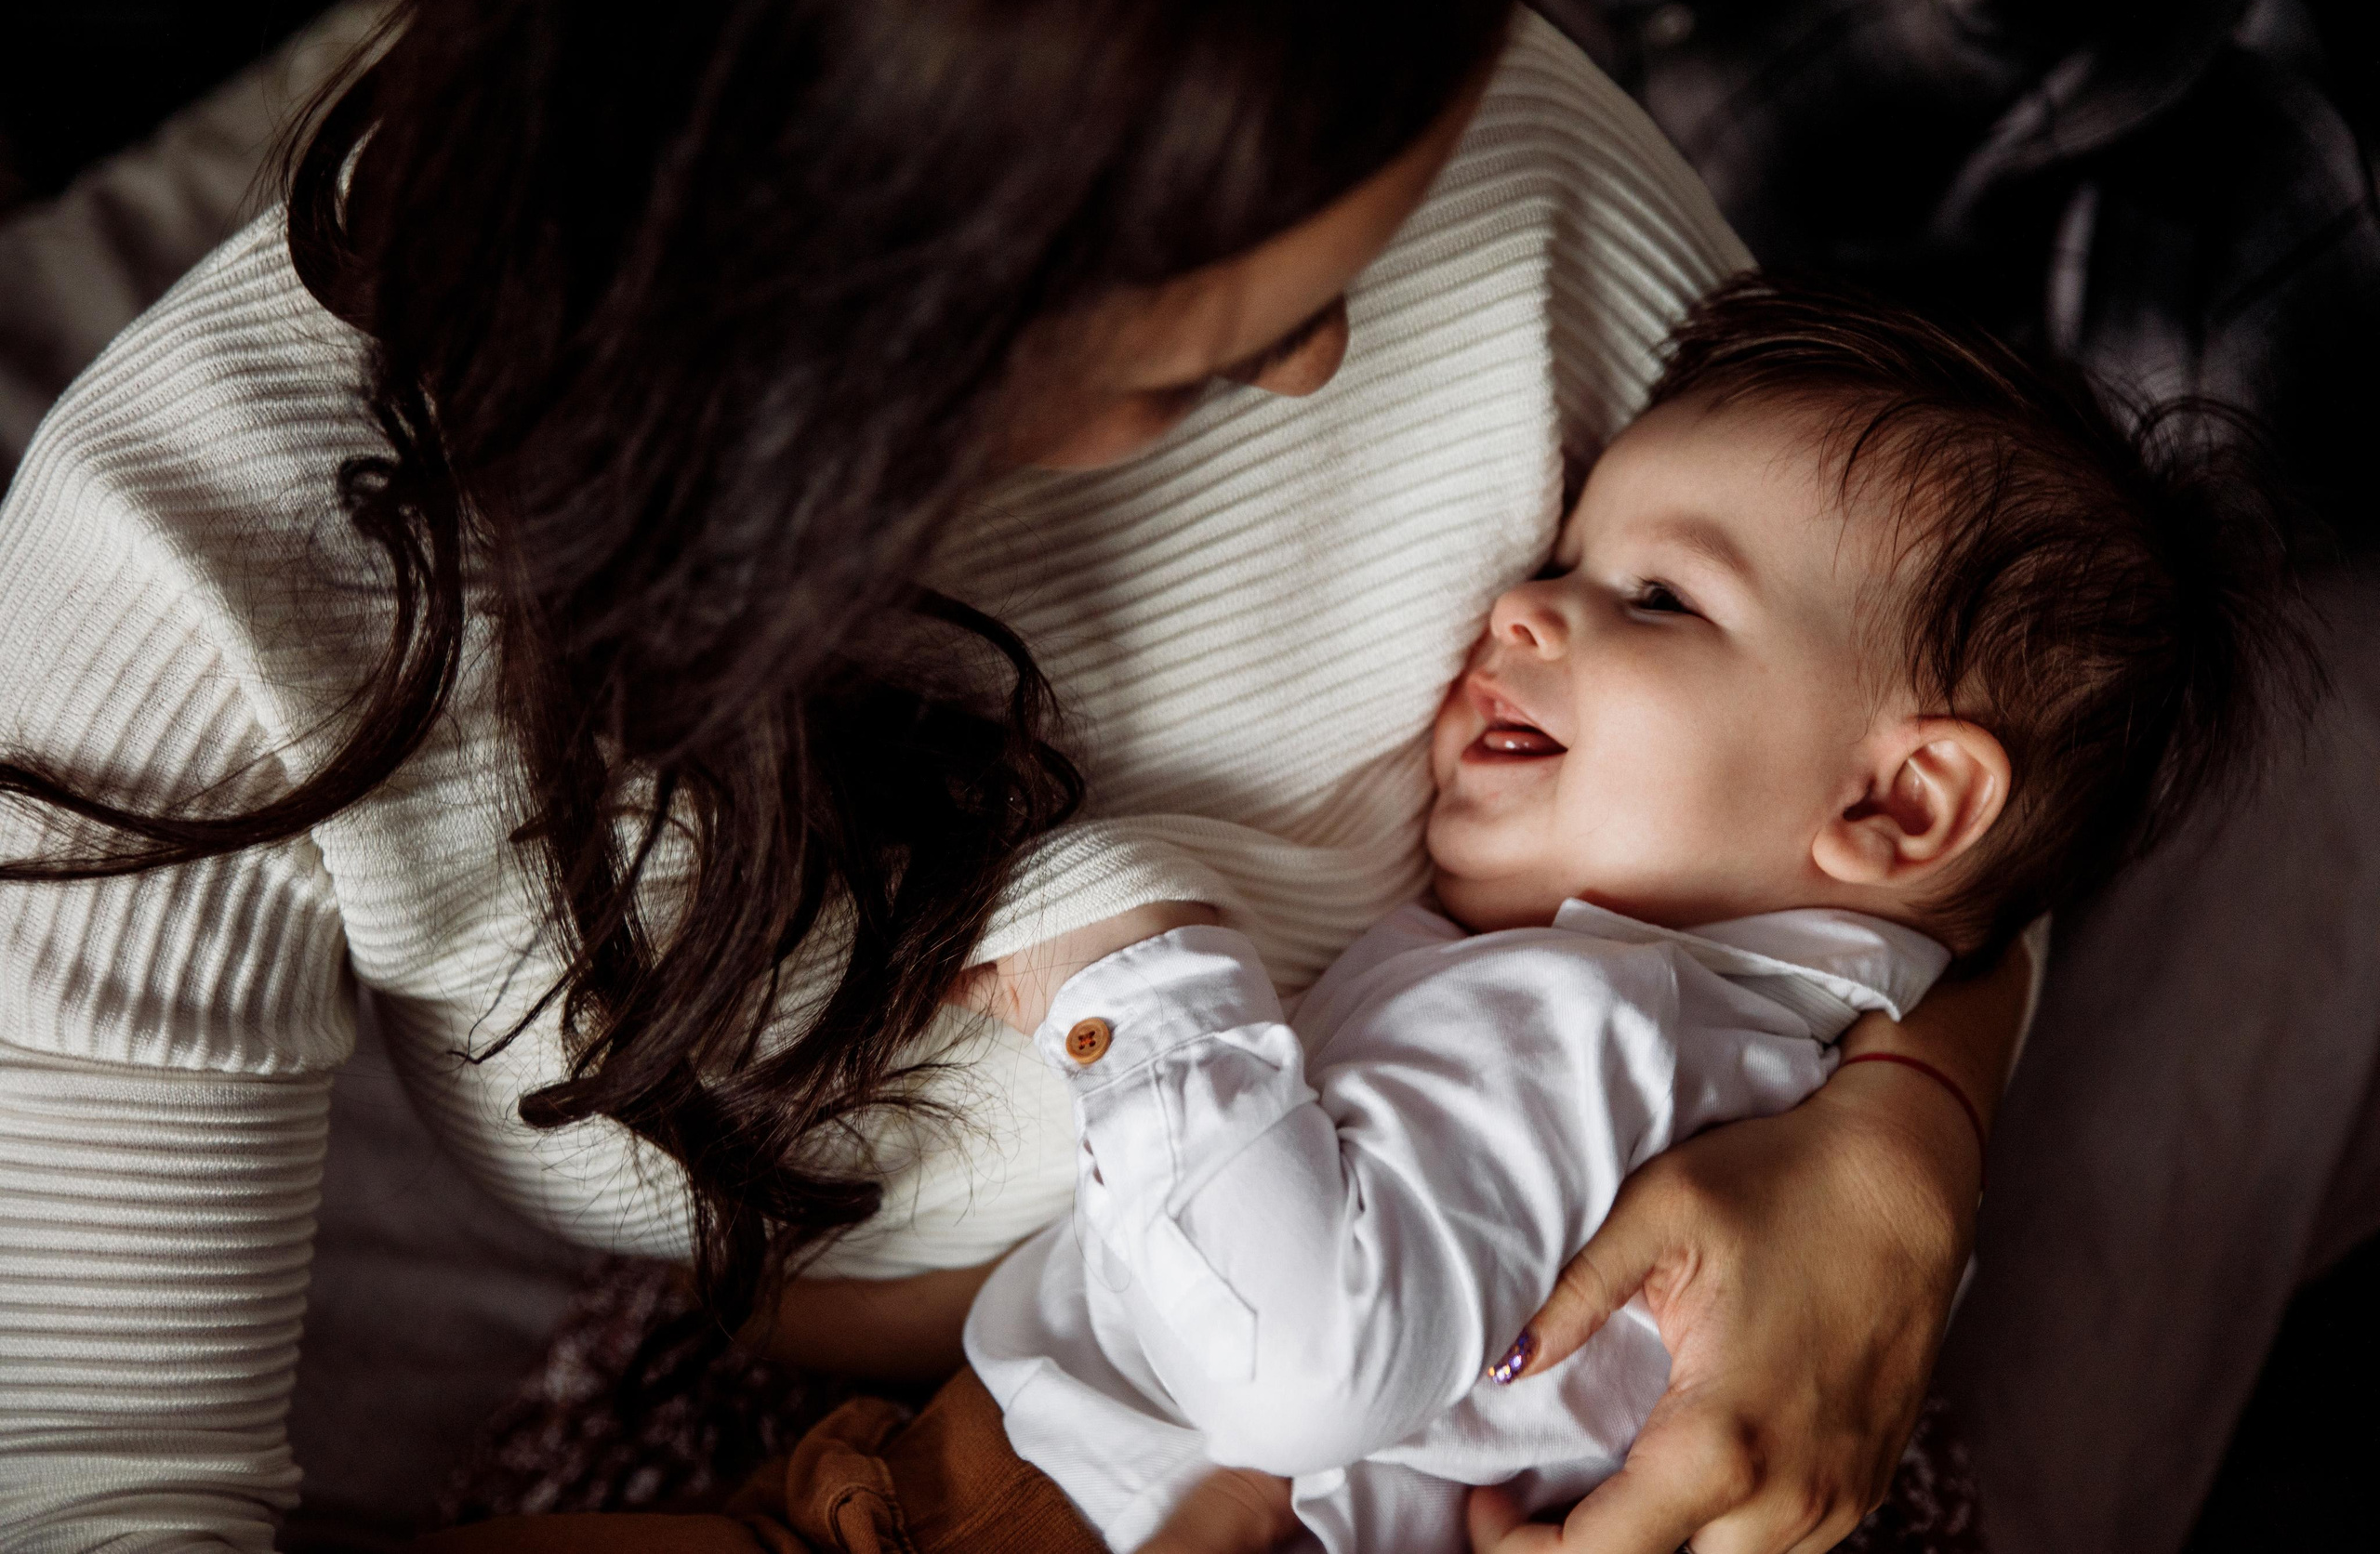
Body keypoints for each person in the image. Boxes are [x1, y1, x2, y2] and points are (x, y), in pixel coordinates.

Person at [0, 0, 2223, 1553]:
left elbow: (1896, 798)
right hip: (963, 1376)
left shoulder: (1440, 129)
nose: (1335, 354)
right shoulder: (190, 588)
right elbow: (97, 1488)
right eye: (1233, 321)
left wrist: (1902, 1146)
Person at [826, 277, 2282, 1554]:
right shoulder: (1736, 1074)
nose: (1519, 608)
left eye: (1659, 598)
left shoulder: (1598, 1019)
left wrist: (1126, 968)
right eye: (1563, 560)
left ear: (1901, 803)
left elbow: (1303, 1371)